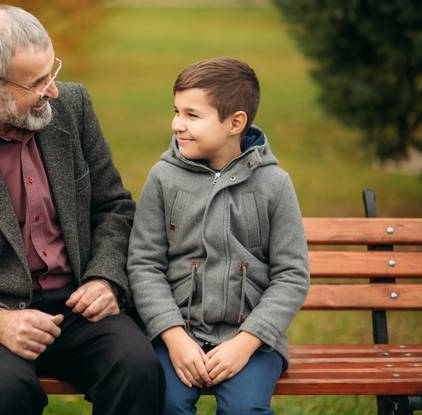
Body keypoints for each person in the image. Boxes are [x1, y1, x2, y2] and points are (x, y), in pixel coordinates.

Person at [0, 5, 164, 415]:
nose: (53, 90)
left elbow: (113, 208)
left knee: (138, 367)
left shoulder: (72, 107)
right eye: (38, 84)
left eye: (51, 72)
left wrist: (106, 278)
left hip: (76, 305)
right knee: (6, 393)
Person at [127, 58, 310, 415]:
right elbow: (144, 264)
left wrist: (247, 342)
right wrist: (173, 336)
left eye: (192, 116)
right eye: (176, 111)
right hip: (176, 335)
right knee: (165, 403)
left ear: (235, 123)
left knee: (245, 410)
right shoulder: (163, 178)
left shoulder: (274, 185)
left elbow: (292, 275)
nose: (177, 124)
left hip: (251, 340)